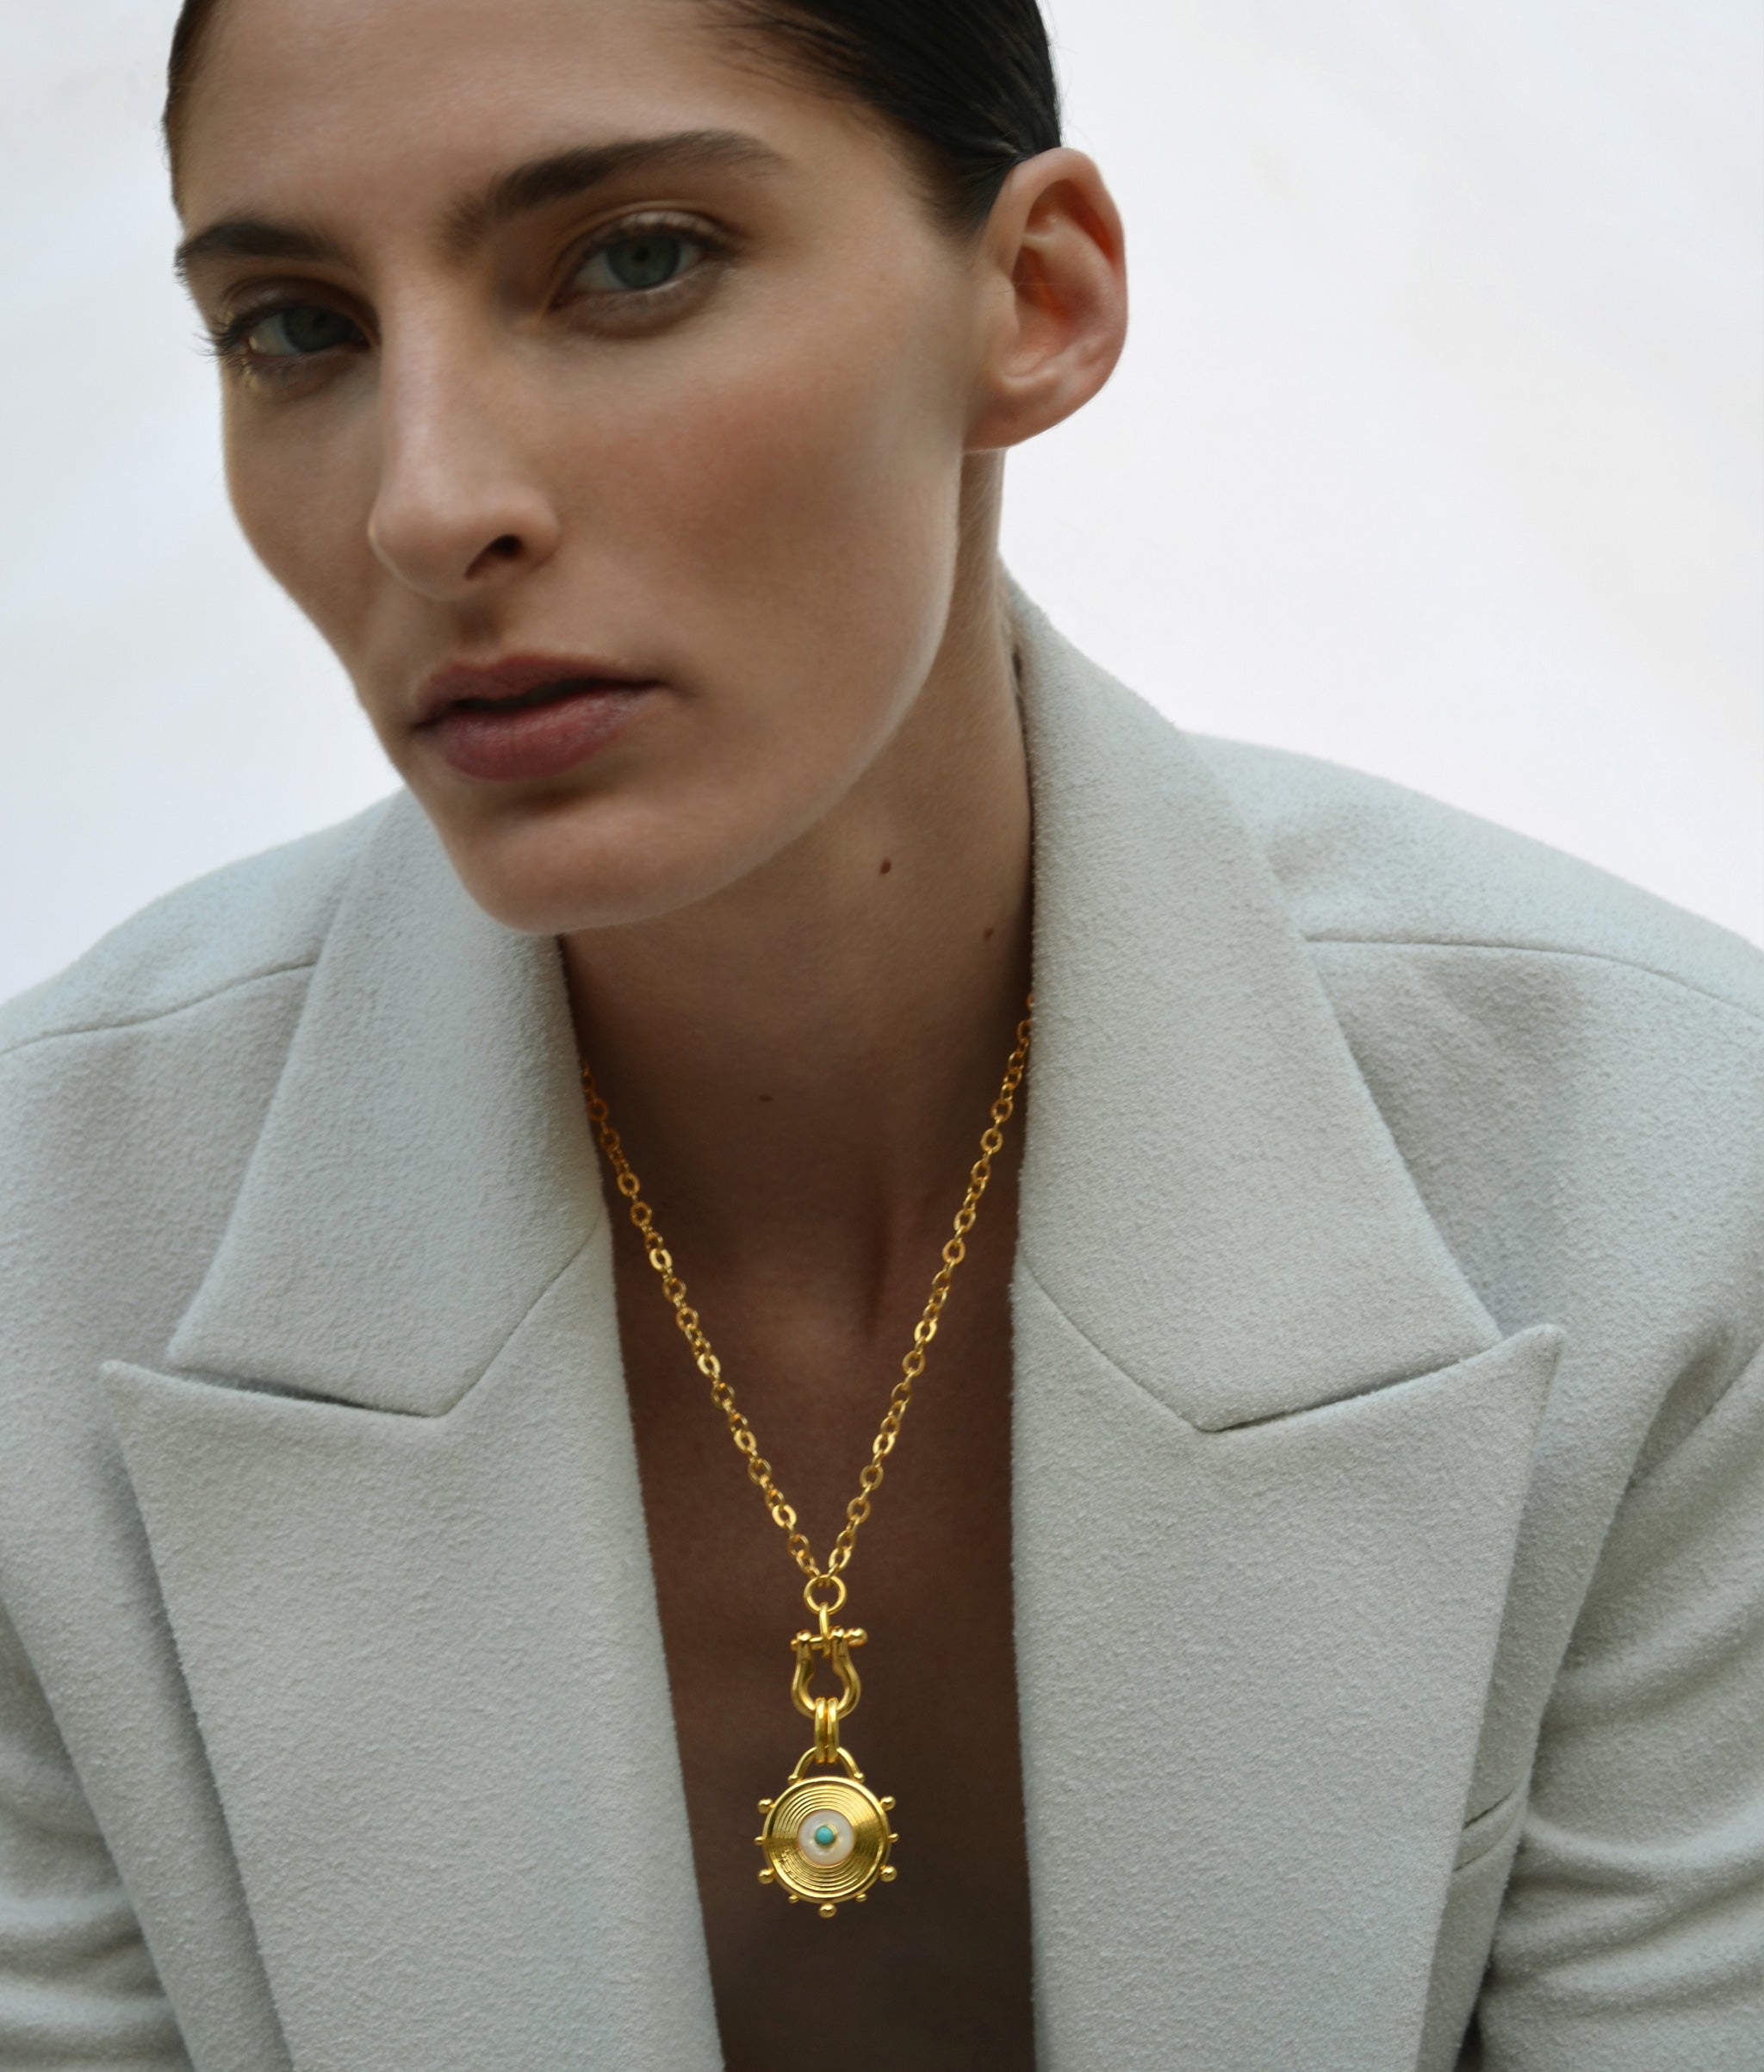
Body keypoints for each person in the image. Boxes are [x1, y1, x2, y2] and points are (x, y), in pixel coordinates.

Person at [0, 0, 1758, 2066]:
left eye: (632, 258)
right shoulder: (45, 1253)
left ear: (1034, 298)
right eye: (296, 328)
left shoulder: (1660, 1176)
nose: (427, 502)